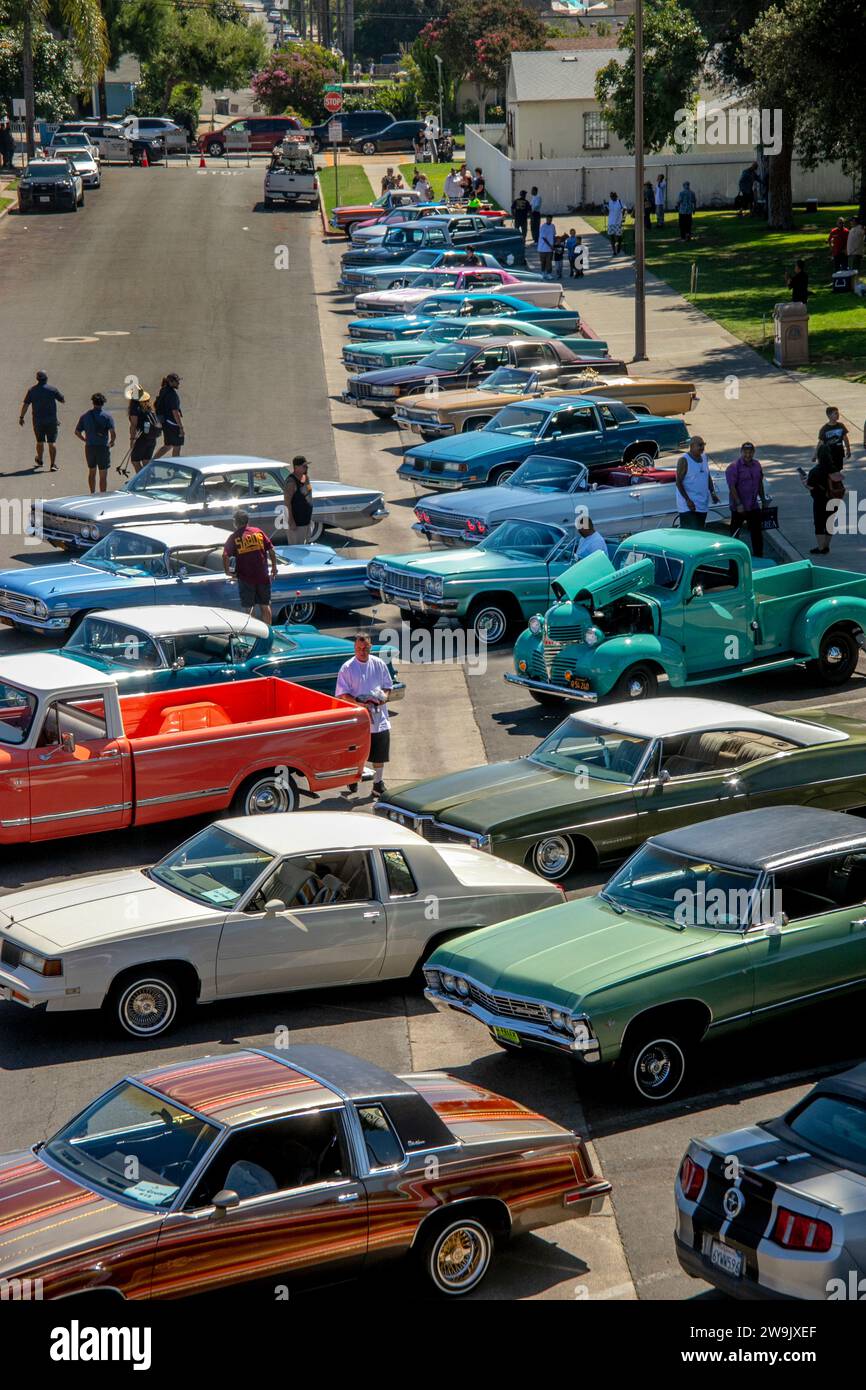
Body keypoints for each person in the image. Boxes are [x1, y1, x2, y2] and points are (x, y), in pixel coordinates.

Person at [335, 631, 395, 800]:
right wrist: (360, 704)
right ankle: (352, 778)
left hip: (379, 718)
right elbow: (342, 694)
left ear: (370, 648)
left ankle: (378, 784)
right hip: (357, 720)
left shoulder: (379, 664)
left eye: (365, 648)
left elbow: (388, 686)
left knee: (380, 753)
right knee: (356, 753)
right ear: (355, 648)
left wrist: (383, 698)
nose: (362, 651)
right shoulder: (347, 668)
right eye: (359, 648)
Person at [223, 508, 278, 623]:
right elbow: (271, 550)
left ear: (235, 522)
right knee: (265, 605)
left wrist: (227, 571)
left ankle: (253, 633)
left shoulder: (234, 537)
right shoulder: (258, 532)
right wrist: (274, 567)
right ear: (248, 521)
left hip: (246, 578)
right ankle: (269, 633)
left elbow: (225, 556)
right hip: (262, 576)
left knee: (249, 607)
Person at [725, 443, 767, 558]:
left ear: (753, 452)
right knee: (735, 533)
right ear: (741, 452)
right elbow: (732, 486)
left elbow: (759, 483)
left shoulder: (757, 465)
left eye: (750, 452)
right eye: (745, 452)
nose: (748, 454)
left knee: (757, 533)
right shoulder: (733, 467)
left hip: (753, 506)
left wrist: (763, 499)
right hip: (739, 508)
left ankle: (759, 556)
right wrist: (738, 503)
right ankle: (732, 556)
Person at [802, 444, 844, 555]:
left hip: (820, 501)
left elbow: (810, 486)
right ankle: (827, 546)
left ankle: (821, 548)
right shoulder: (834, 469)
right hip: (834, 500)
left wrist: (803, 482)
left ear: (819, 456)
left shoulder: (815, 471)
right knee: (829, 523)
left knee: (819, 524)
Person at [19, 369, 64, 472]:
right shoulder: (52, 389)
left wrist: (21, 417)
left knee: (39, 441)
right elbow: (62, 400)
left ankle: (40, 459)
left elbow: (26, 404)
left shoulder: (31, 390)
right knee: (51, 442)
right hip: (51, 420)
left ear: (37, 379)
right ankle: (53, 465)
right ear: (46, 379)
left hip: (38, 421)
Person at [74, 392, 116, 495]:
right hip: (102, 448)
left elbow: (77, 432)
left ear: (93, 402)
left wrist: (85, 440)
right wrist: (111, 442)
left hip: (90, 447)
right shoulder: (107, 417)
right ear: (103, 403)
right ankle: (102, 495)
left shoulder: (85, 416)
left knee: (92, 472)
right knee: (103, 474)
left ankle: (92, 493)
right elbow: (113, 433)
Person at [676, 435, 718, 529]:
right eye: (700, 445)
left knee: (700, 532)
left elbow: (707, 475)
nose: (702, 447)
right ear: (692, 446)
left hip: (702, 504)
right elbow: (678, 482)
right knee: (690, 535)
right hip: (688, 506)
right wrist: (688, 500)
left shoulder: (704, 457)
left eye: (703, 445)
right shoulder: (684, 460)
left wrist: (712, 492)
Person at [127, 388, 161, 474]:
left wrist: (132, 439)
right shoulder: (148, 407)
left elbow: (133, 425)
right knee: (146, 461)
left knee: (135, 461)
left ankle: (142, 482)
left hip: (142, 438)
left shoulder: (135, 408)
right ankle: (149, 480)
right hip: (152, 438)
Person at [282, 455, 314, 545]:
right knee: (296, 550)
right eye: (304, 466)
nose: (306, 467)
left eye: (306, 465)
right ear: (296, 467)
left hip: (306, 521)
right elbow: (287, 503)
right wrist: (291, 521)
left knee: (306, 549)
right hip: (296, 524)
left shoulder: (305, 478)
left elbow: (308, 494)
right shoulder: (291, 482)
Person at [154, 373, 184, 457]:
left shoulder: (163, 390)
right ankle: (176, 468)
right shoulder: (172, 395)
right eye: (177, 381)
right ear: (171, 382)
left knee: (168, 445)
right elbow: (175, 412)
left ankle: (153, 462)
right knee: (177, 446)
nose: (178, 383)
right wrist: (181, 427)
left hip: (166, 423)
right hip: (173, 424)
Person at [814, 405, 850, 469]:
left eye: (838, 413)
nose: (838, 415)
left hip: (839, 453)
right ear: (829, 416)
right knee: (830, 471)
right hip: (829, 454)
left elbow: (845, 438)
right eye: (835, 413)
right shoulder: (824, 429)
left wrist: (848, 449)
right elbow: (820, 443)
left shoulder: (841, 426)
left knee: (838, 470)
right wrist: (816, 455)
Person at [606, 191, 624, 256]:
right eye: (610, 197)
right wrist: (605, 207)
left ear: (616, 196)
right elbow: (608, 210)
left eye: (613, 196)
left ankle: (619, 246)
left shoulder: (620, 202)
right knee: (612, 237)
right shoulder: (610, 202)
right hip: (610, 222)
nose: (611, 198)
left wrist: (623, 219)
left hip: (618, 222)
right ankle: (614, 251)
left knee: (618, 237)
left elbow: (625, 209)